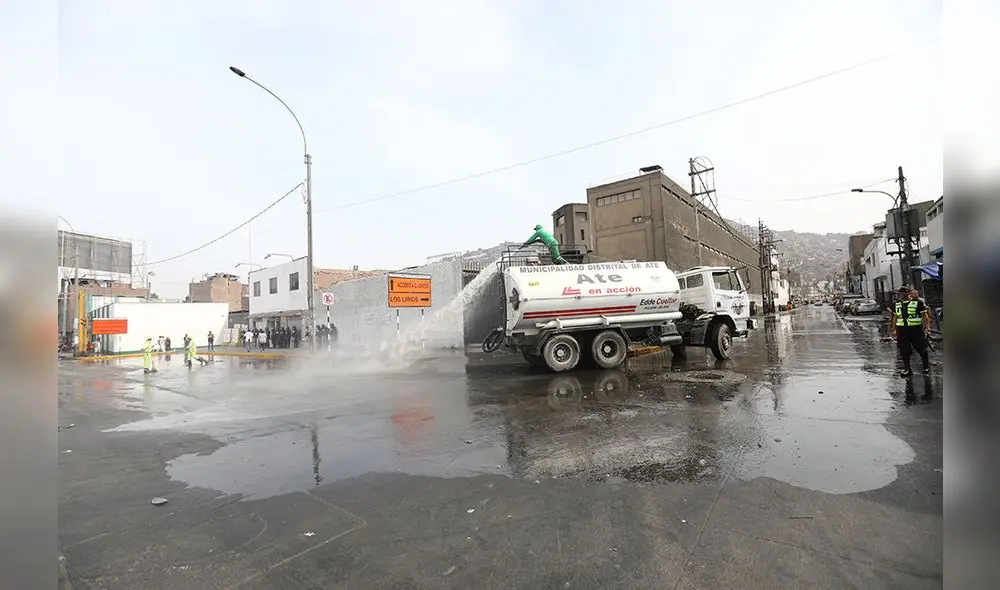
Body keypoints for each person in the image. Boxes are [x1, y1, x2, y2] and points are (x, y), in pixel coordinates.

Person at [890, 287, 932, 377]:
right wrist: (893, 330)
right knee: (904, 350)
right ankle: (907, 369)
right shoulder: (897, 304)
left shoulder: (917, 303)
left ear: (907, 293)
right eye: (899, 293)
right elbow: (895, 317)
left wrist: (927, 328)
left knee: (921, 348)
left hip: (915, 329)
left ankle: (926, 366)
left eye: (902, 293)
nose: (900, 295)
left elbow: (925, 316)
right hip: (902, 330)